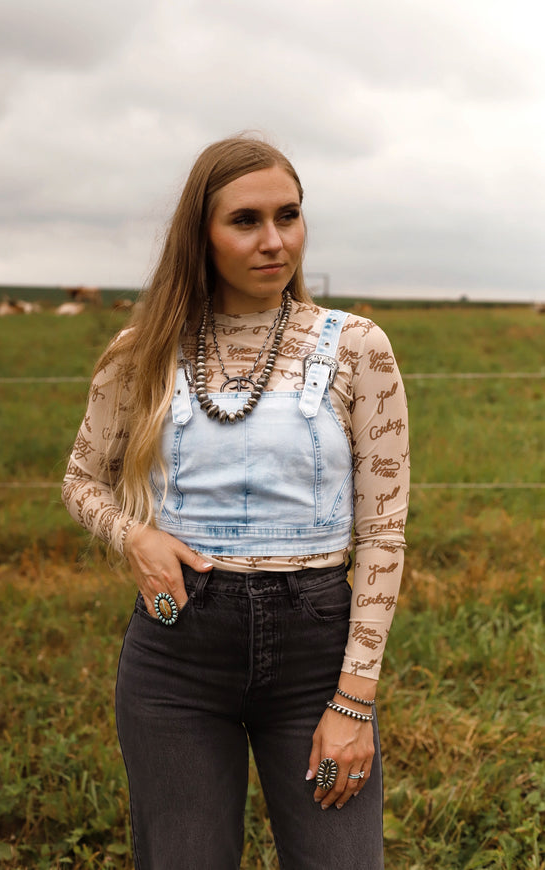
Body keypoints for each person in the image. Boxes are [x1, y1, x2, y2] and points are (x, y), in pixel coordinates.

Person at [62, 134, 409, 869]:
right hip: (177, 657)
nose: (274, 241)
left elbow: (382, 534)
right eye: (246, 220)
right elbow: (82, 479)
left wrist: (353, 704)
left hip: (317, 656)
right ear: (202, 235)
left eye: (289, 215)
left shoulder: (357, 347)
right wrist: (135, 536)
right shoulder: (142, 353)